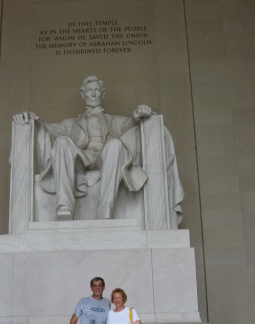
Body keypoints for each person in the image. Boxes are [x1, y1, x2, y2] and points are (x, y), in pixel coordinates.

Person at [13, 75, 154, 221]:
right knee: (61, 142)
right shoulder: (70, 124)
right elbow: (47, 128)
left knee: (115, 144)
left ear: (103, 93)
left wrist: (139, 114)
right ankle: (64, 207)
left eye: (97, 90)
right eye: (89, 90)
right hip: (80, 159)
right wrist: (30, 118)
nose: (93, 94)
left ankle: (105, 210)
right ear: (83, 94)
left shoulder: (115, 121)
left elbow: (130, 123)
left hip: (104, 158)